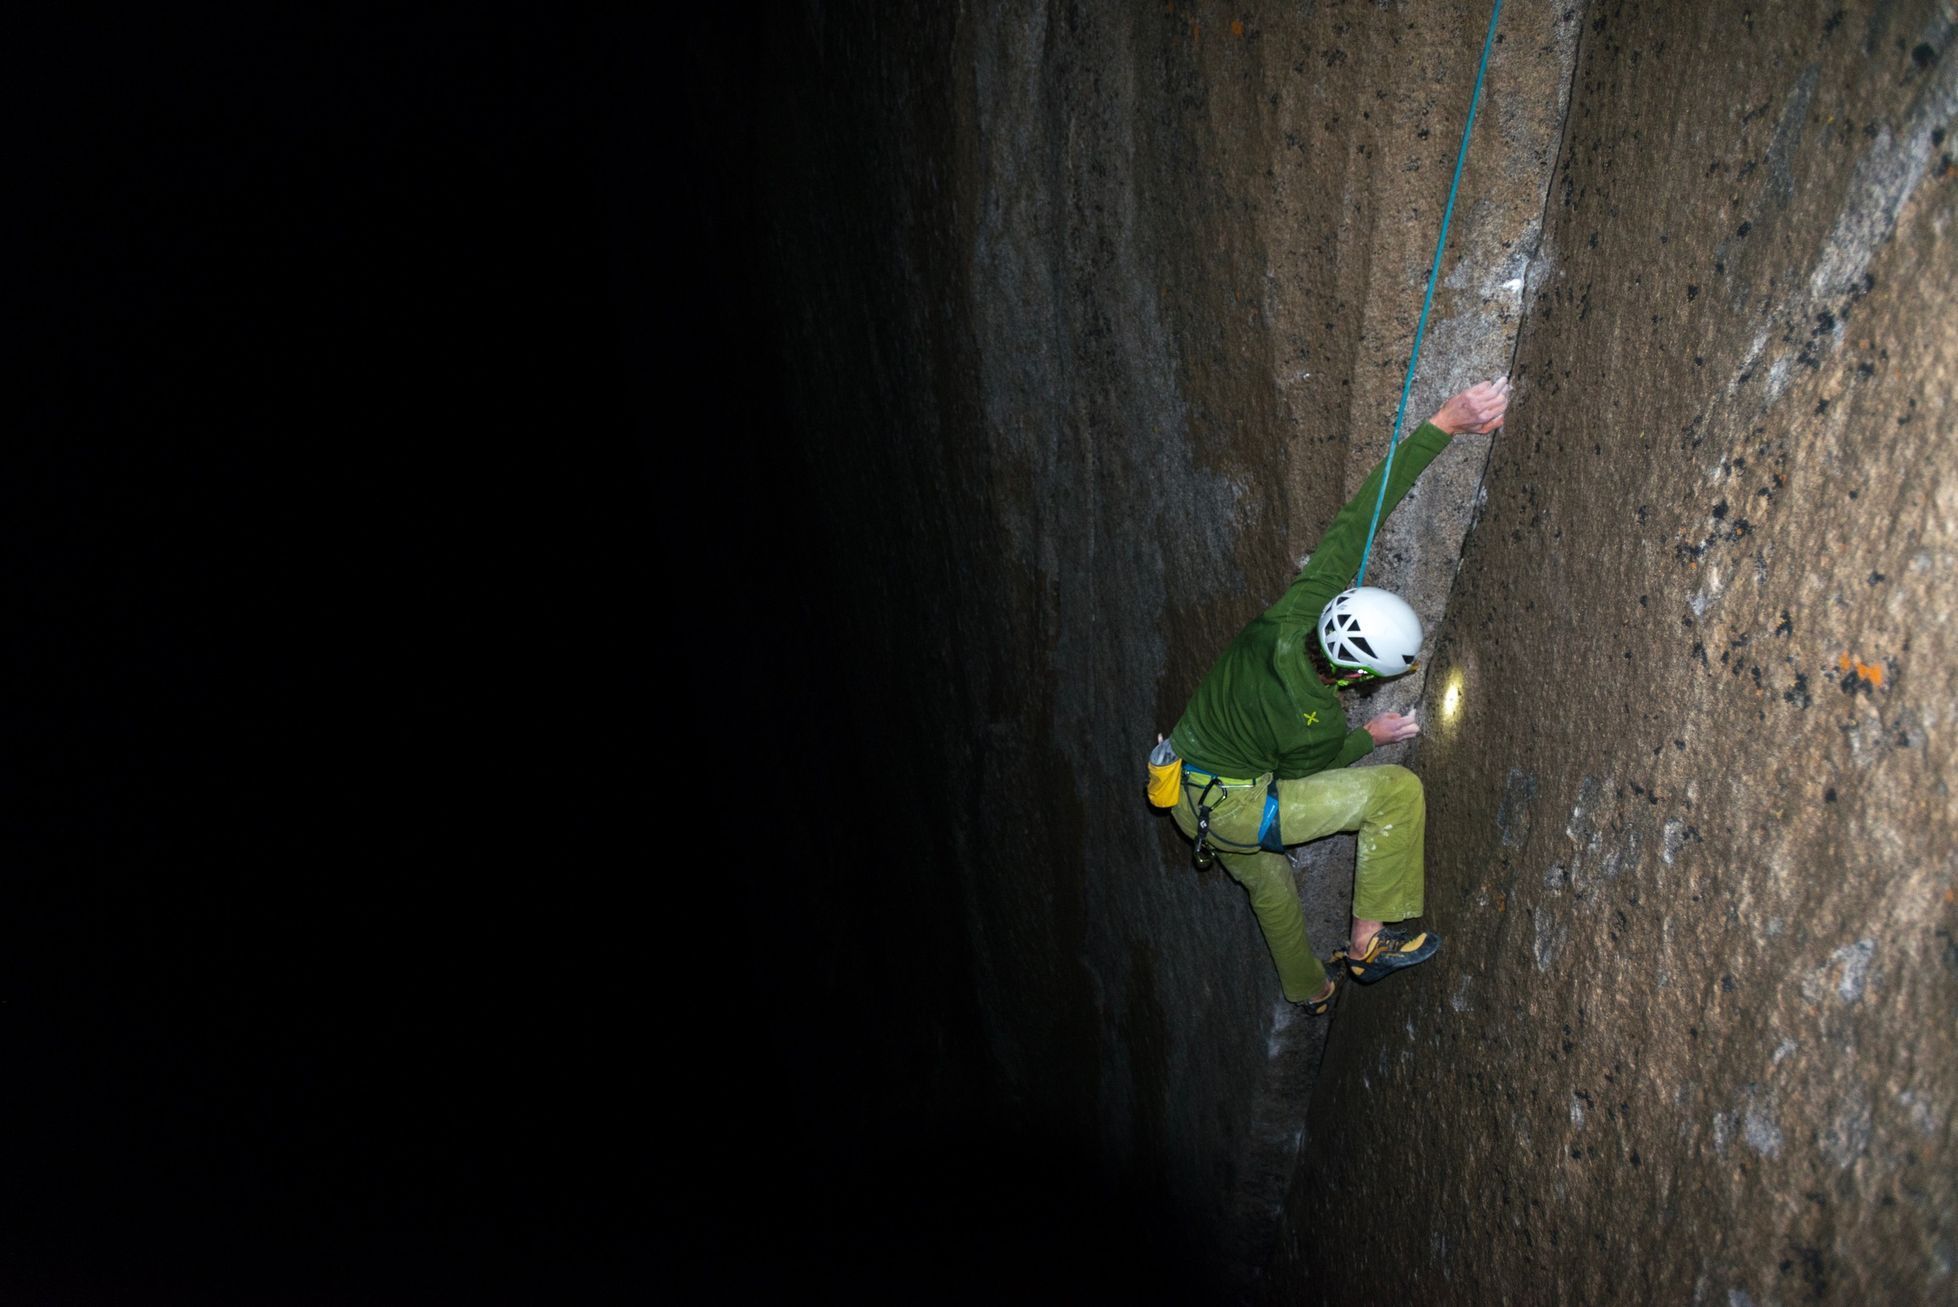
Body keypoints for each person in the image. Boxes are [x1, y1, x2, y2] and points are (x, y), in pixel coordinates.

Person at [1161, 378, 1510, 1015]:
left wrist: (1442, 423)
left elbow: (1355, 525)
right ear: (1358, 679)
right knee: (1395, 794)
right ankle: (1368, 944)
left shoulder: (1290, 617)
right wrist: (1367, 739)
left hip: (1182, 785)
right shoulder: (1314, 721)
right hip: (1236, 809)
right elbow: (1307, 770)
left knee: (1270, 889)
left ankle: (1309, 991)